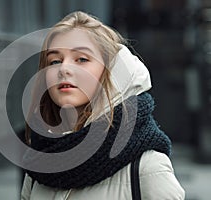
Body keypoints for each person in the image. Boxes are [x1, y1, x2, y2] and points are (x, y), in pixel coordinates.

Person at [21, 11, 185, 200]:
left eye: (81, 59)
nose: (64, 68)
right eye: (55, 61)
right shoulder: (40, 162)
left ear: (111, 71)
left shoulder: (147, 167)